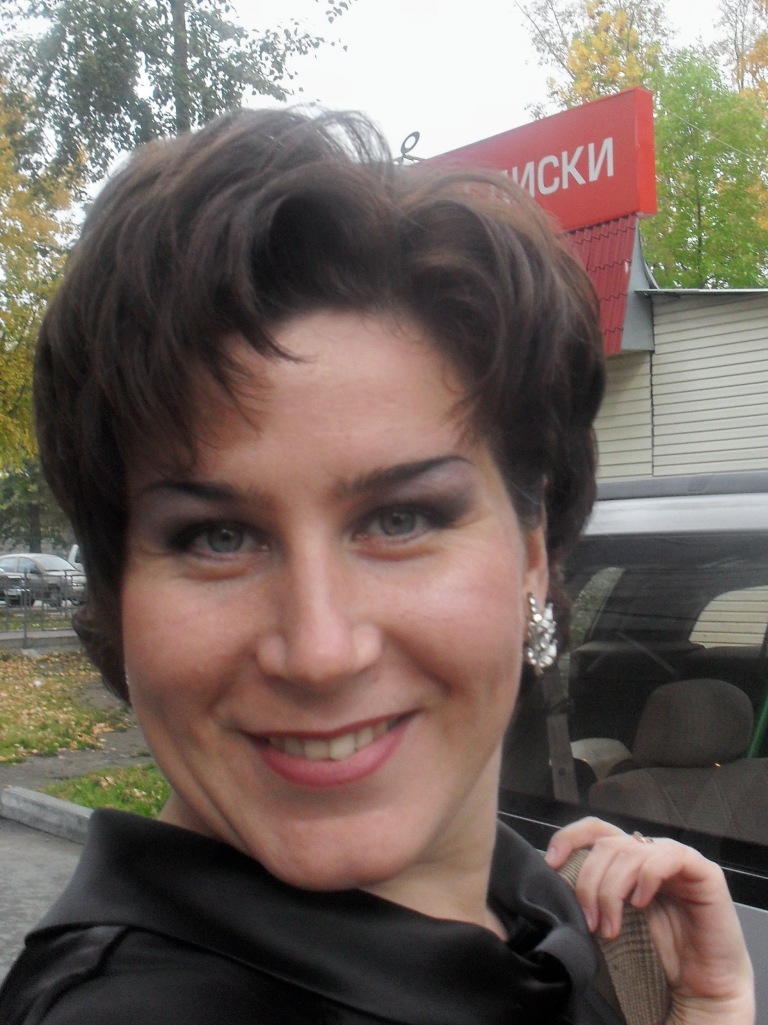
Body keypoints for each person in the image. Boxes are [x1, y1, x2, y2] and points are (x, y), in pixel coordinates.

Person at [0, 108, 753, 1025]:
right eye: (216, 537)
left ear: (531, 548)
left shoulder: (540, 908)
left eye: (400, 519)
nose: (320, 652)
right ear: (118, 591)